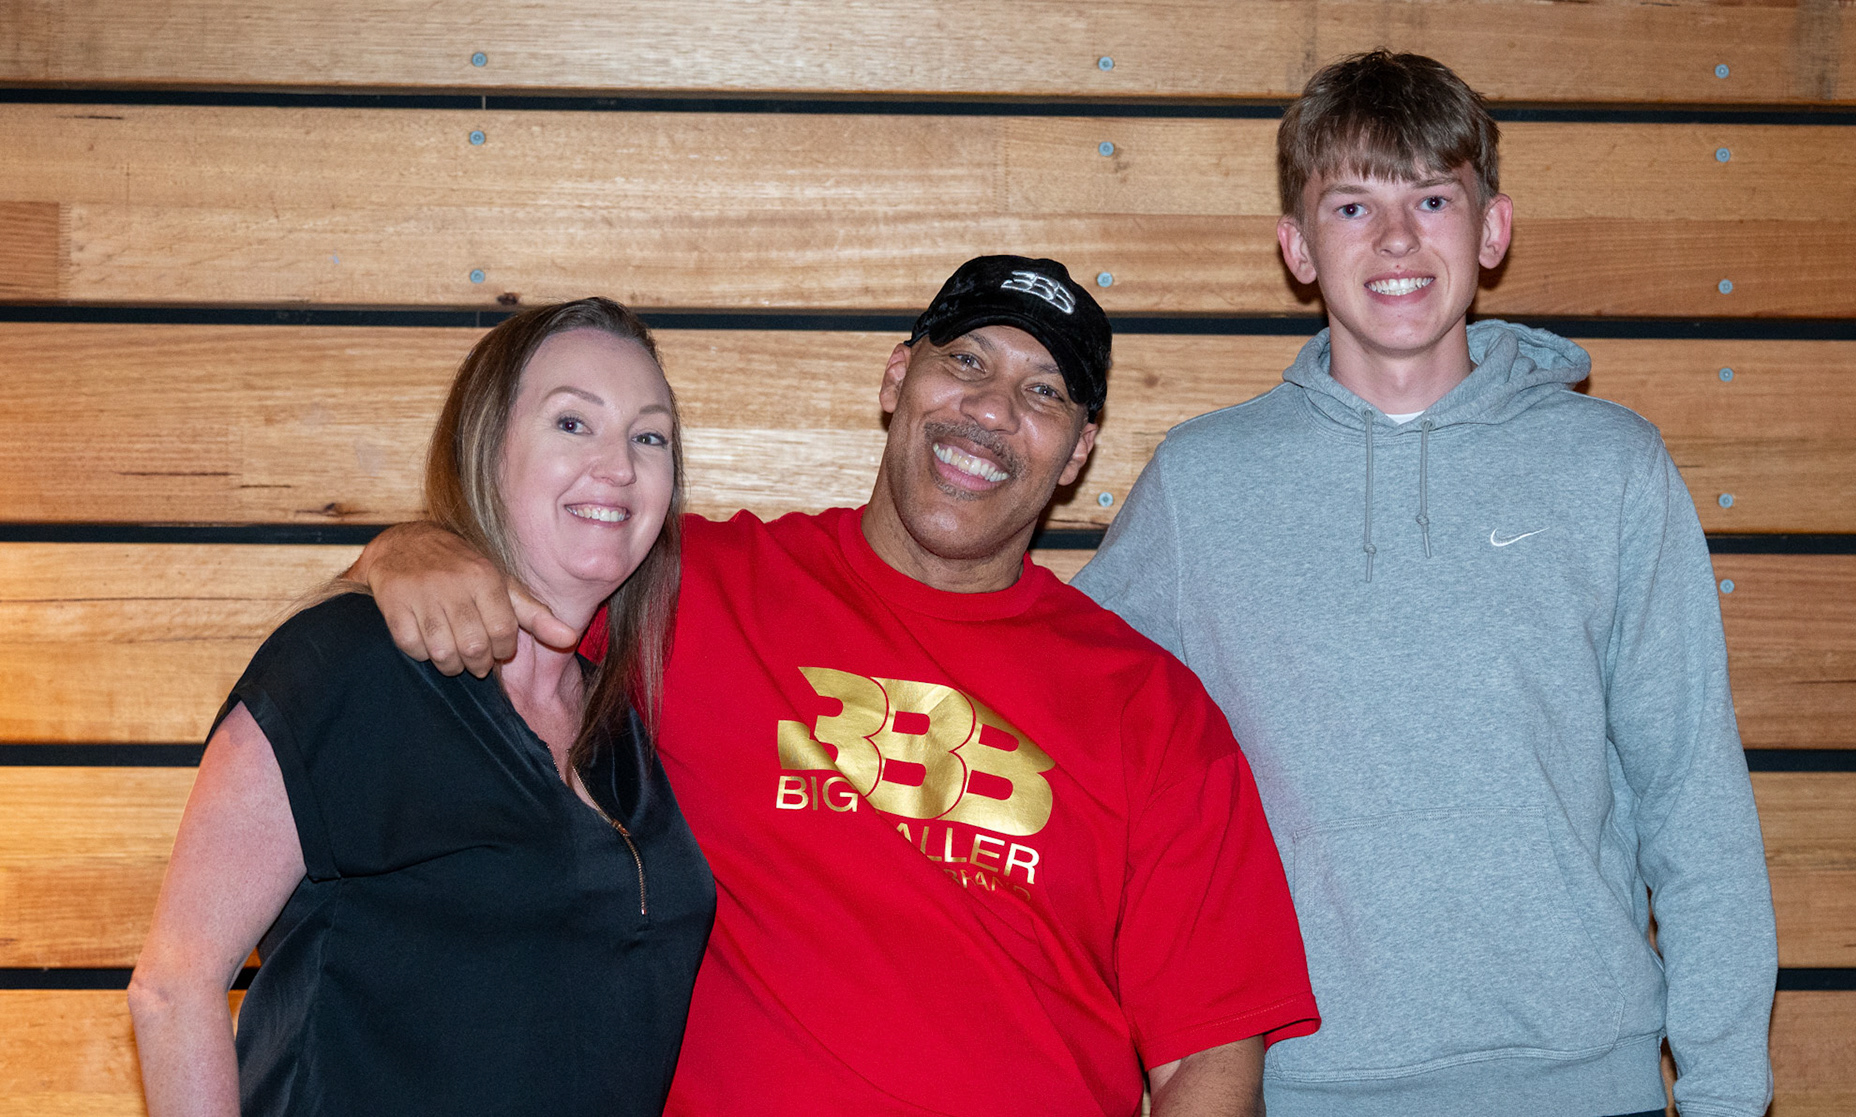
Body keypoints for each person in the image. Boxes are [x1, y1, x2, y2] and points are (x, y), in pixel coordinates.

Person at [355, 255, 1321, 1115]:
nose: (992, 410)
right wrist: (406, 549)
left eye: (1044, 392)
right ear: (898, 378)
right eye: (967, 361)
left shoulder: (1155, 710)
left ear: (1077, 451)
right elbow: (500, 578)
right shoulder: (688, 590)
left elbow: (1211, 1057)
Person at [1072, 51, 1777, 1117]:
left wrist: (1725, 1093)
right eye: (1353, 205)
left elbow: (1693, 796)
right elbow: (1071, 738)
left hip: (1586, 1084)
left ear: (1492, 230)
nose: (1397, 239)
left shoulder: (1609, 467)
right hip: (1303, 1086)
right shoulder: (1203, 484)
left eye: (1433, 199)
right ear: (1297, 247)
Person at [129, 299, 716, 1117]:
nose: (617, 465)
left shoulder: (621, 720)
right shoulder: (355, 662)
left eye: (649, 437)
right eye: (572, 423)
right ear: (488, 447)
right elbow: (173, 986)